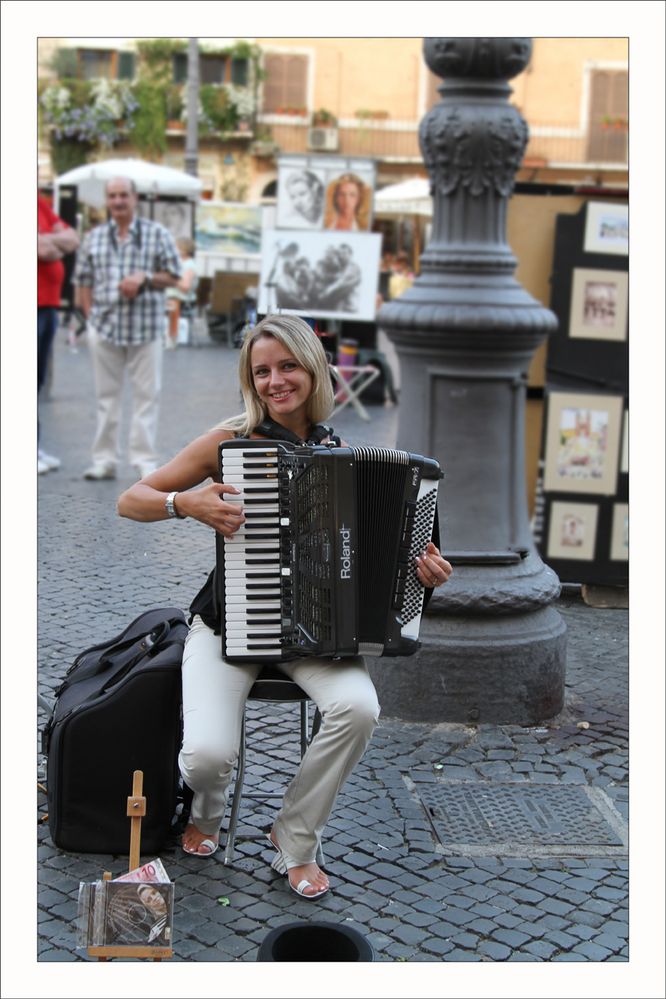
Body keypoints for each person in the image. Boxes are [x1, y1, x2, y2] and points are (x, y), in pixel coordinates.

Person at [117, 314, 452, 900]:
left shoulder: (341, 453)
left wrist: (422, 574)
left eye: (288, 366)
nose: (275, 381)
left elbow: (375, 565)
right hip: (227, 623)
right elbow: (131, 500)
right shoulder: (229, 440)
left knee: (358, 707)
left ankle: (293, 836)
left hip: (314, 633)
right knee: (204, 757)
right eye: (262, 370)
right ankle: (208, 807)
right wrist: (184, 502)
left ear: (313, 369)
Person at [74, 177, 182, 480]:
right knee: (105, 397)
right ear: (107, 201)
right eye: (113, 196)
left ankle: (144, 459)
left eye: (123, 195)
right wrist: (89, 318)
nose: (118, 201)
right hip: (104, 329)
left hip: (145, 328)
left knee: (148, 395)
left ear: (135, 198)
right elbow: (83, 280)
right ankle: (104, 459)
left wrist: (145, 278)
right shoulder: (93, 237)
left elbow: (174, 276)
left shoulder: (156, 234)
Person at [38, 192, 80, 474]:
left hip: (47, 305)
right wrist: (51, 243)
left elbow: (71, 240)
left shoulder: (38, 202)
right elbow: (46, 250)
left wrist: (46, 240)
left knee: (35, 384)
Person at [165, 237, 199, 349]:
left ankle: (172, 337)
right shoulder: (179, 263)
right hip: (173, 296)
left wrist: (172, 280)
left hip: (183, 298)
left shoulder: (189, 265)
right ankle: (168, 336)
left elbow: (185, 286)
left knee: (172, 303)